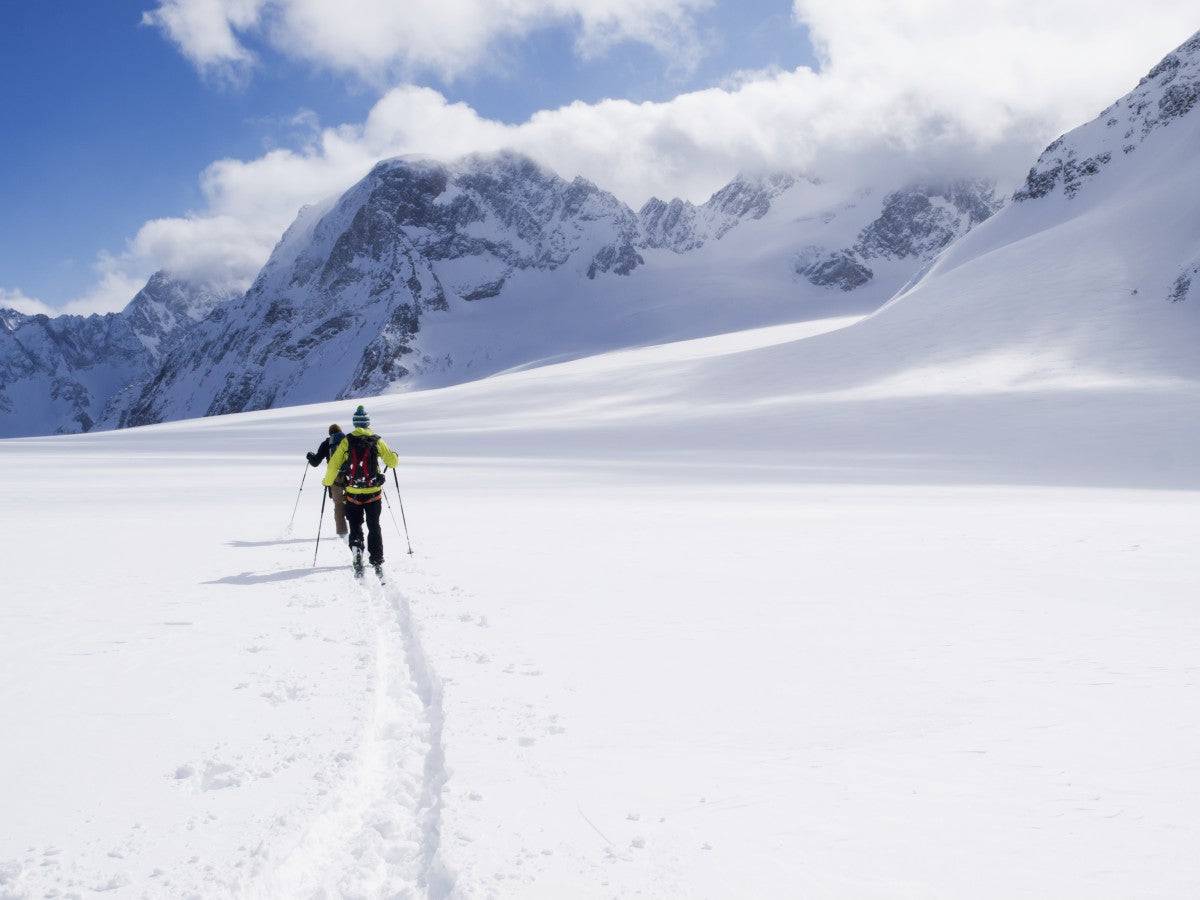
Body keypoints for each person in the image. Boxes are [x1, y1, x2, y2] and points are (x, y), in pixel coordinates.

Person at [323, 405, 398, 576]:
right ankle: (377, 559)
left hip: (353, 492)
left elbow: (333, 465)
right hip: (373, 493)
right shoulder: (377, 440)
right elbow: (392, 462)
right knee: (374, 525)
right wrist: (394, 456)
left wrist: (327, 481)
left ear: (355, 424)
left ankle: (357, 548)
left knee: (355, 524)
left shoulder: (347, 441)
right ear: (368, 423)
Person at [307, 424, 348, 538]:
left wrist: (310, 456)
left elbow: (315, 462)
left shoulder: (326, 443)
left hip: (334, 476)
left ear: (330, 433)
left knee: (338, 504)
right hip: (350, 475)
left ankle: (342, 532)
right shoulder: (348, 440)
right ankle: (355, 525)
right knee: (353, 500)